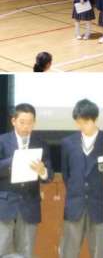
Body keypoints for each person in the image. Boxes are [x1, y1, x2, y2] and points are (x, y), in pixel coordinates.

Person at [0, 103, 53, 257]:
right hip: (5, 206)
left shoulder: (41, 143)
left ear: (34, 122)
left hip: (30, 206)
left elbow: (49, 175)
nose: (26, 127)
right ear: (13, 121)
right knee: (2, 250)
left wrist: (43, 171)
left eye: (30, 122)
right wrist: (13, 160)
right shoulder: (2, 141)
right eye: (22, 122)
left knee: (26, 252)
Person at [59, 99, 103, 258]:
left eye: (85, 122)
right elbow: (66, 175)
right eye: (78, 122)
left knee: (99, 252)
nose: (81, 126)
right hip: (74, 206)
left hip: (99, 207)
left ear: (95, 119)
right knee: (68, 252)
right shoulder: (67, 143)